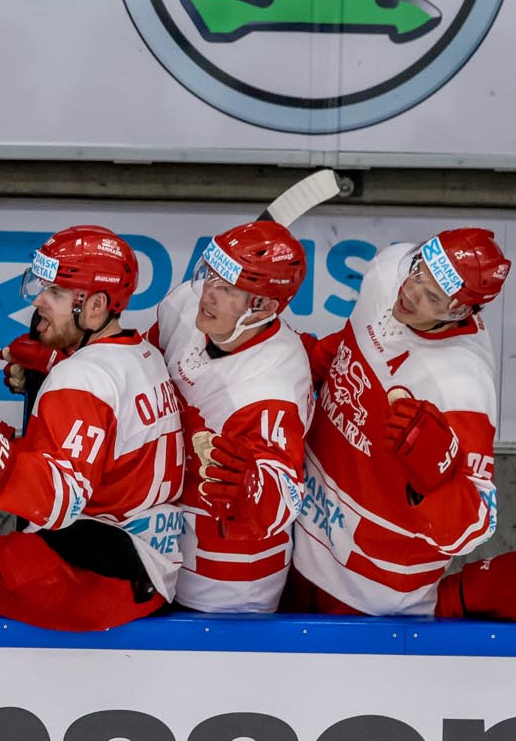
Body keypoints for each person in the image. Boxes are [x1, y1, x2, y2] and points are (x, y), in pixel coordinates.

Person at [0, 226, 185, 631]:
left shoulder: (82, 378)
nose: (39, 300)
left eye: (57, 293)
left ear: (96, 305)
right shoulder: (144, 354)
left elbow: (62, 498)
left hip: (87, 581)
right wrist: (49, 368)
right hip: (145, 570)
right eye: (43, 285)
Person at [287, 229, 507, 617]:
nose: (410, 292)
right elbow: (350, 343)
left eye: (432, 297)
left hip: (369, 590)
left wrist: (436, 481)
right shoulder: (390, 269)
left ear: (459, 312)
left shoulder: (461, 386)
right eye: (419, 272)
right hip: (298, 536)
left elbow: (474, 526)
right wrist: (290, 366)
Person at [149, 221, 310, 613]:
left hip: (227, 582)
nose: (208, 293)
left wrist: (254, 488)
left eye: (229, 289)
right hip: (166, 544)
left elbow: (282, 496)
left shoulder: (270, 389)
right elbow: (145, 367)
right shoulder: (189, 307)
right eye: (212, 274)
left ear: (265, 307)